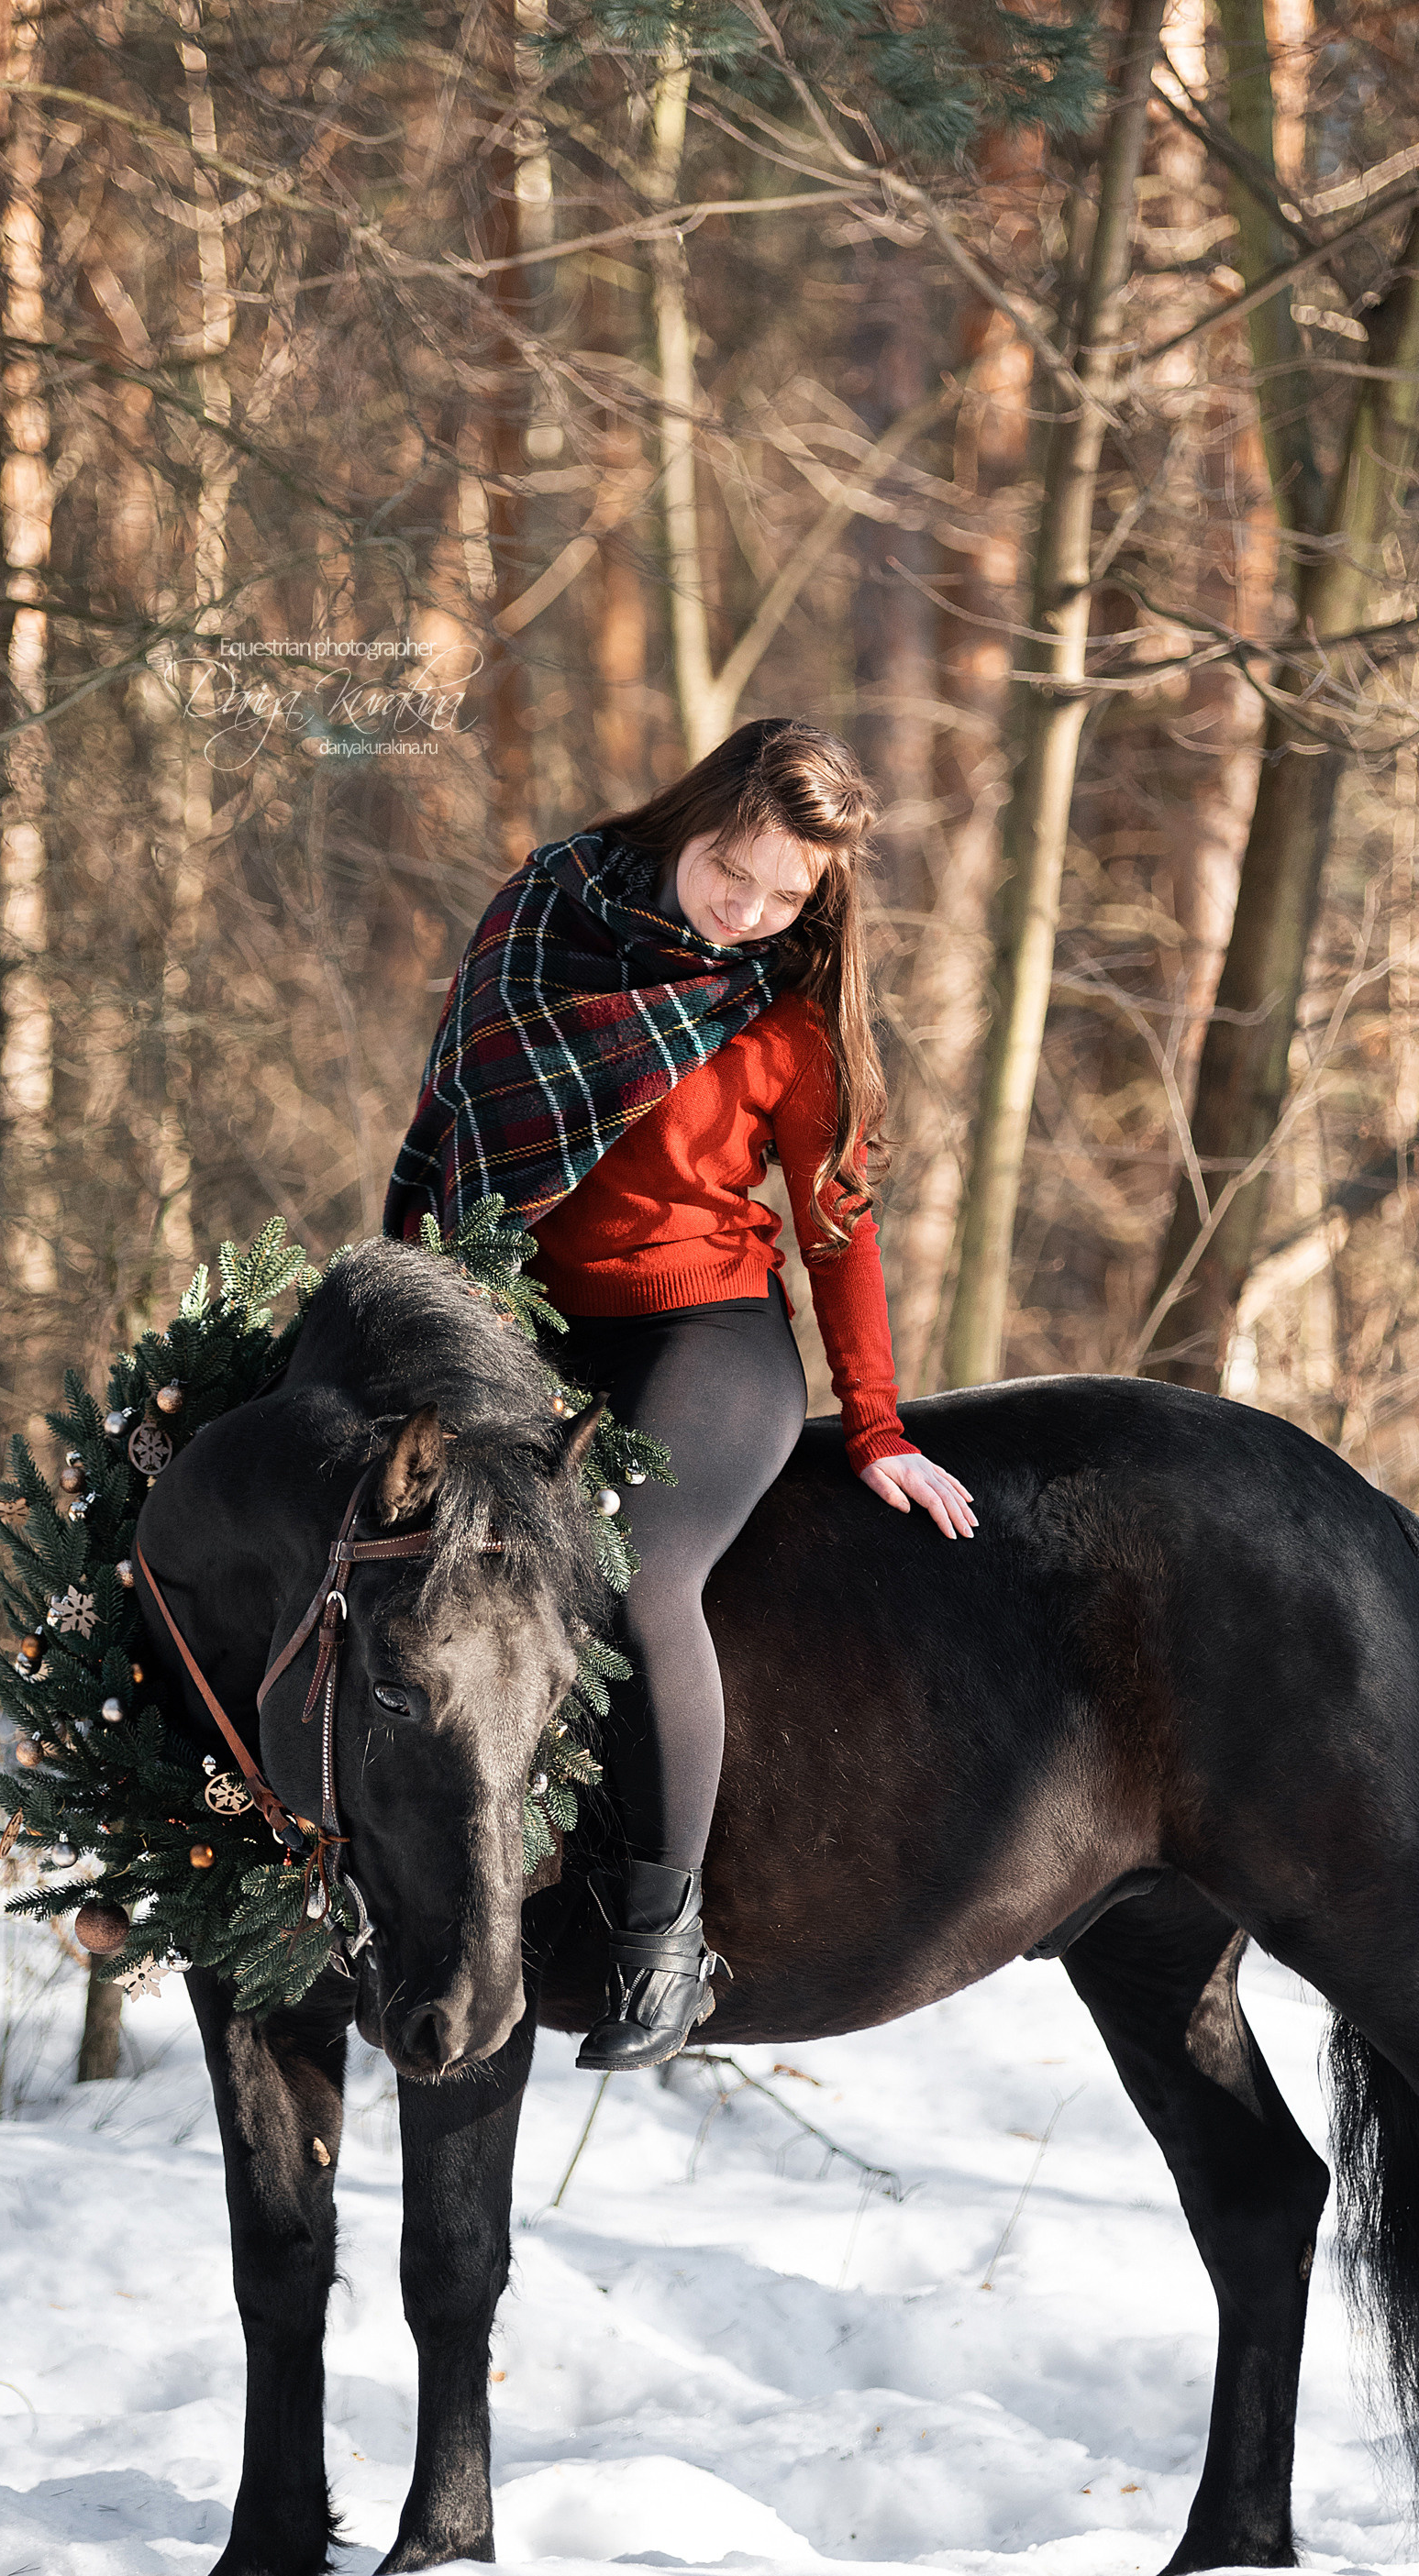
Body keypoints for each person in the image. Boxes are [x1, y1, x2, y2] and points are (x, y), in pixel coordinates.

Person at [384, 717, 977, 2069]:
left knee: (636, 1569)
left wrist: (876, 1422)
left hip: (707, 1334)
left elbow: (838, 1224)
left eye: (788, 900)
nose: (753, 918)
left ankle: (663, 1938)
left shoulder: (788, 1010)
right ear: (691, 824)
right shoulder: (545, 912)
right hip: (519, 1323)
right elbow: (459, 1121)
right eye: (735, 878)